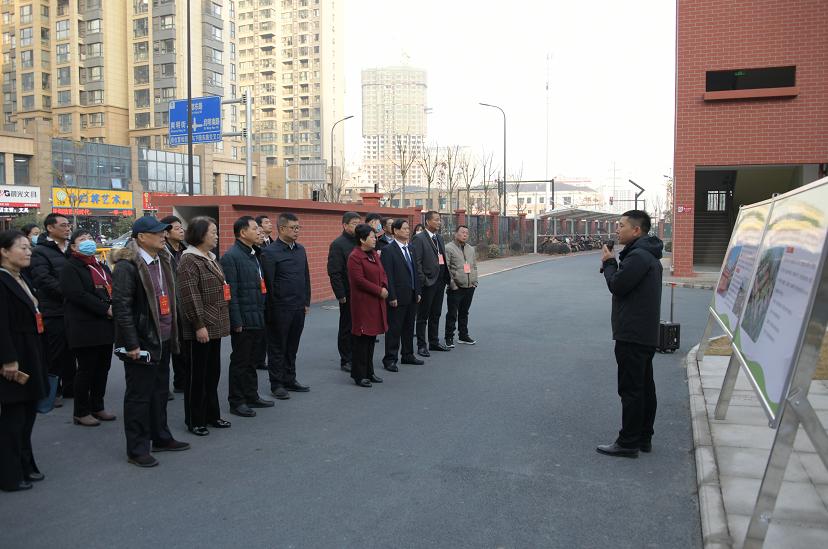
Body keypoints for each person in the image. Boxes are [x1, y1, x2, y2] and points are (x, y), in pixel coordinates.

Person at [111, 217, 190, 468]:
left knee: (159, 392)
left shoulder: (163, 260)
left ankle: (161, 437)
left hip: (164, 336)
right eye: (158, 233)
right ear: (141, 237)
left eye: (164, 232)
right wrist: (132, 343)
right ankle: (137, 449)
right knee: (139, 396)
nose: (163, 236)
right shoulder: (128, 266)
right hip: (142, 341)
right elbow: (122, 308)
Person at [597, 210, 663, 458]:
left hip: (632, 333)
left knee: (632, 389)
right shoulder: (648, 254)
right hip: (644, 332)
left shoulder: (638, 257)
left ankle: (628, 442)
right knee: (645, 386)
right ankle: (644, 437)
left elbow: (618, 286)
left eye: (621, 225)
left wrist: (610, 263)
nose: (617, 229)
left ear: (636, 230)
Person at [0, 230, 48, 491]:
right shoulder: (2, 280)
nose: (28, 252)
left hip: (31, 352)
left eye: (30, 247)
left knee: (27, 415)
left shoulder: (21, 278)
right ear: (4, 251)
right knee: (13, 418)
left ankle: (25, 465)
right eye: (22, 247)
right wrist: (8, 359)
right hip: (14, 358)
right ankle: (9, 473)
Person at [177, 217, 232, 436]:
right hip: (200, 327)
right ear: (200, 234)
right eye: (213, 232)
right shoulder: (189, 260)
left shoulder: (209, 258)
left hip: (215, 324)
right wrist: (199, 324)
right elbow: (190, 295)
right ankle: (195, 419)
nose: (216, 235)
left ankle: (212, 415)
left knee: (212, 373)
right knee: (197, 376)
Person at [60, 229, 116, 427]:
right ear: (73, 246)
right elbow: (77, 295)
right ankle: (81, 411)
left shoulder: (100, 265)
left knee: (103, 368)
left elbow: (112, 287)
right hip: (84, 326)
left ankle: (97, 406)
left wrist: (113, 306)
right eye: (82, 240)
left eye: (90, 238)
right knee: (86, 370)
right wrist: (105, 309)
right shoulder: (70, 267)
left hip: (105, 326)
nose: (88, 242)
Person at [220, 216, 274, 418]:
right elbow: (230, 293)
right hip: (243, 319)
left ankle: (251, 395)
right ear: (243, 232)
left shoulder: (253, 254)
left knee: (252, 361)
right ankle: (237, 401)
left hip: (257, 315)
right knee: (240, 362)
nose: (258, 231)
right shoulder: (231, 257)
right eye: (254, 228)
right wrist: (236, 321)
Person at [262, 213, 311, 400]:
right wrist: (272, 310)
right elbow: (269, 283)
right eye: (293, 228)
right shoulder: (270, 252)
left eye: (298, 227)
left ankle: (290, 378)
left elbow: (305, 277)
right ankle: (277, 383)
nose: (297, 231)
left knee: (292, 346)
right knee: (277, 347)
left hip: (298, 307)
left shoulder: (300, 250)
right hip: (280, 308)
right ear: (282, 229)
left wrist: (306, 301)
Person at [30, 213, 75, 405]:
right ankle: (52, 391)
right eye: (63, 225)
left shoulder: (71, 250)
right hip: (53, 309)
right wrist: (69, 292)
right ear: (50, 228)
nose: (68, 228)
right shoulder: (40, 251)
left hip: (73, 310)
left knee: (72, 351)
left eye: (68, 225)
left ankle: (70, 388)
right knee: (54, 352)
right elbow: (42, 279)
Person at [347, 224, 388, 387]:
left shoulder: (373, 255)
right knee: (362, 340)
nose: (375, 239)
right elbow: (359, 281)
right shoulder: (355, 257)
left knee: (371, 339)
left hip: (376, 302)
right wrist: (379, 290)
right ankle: (359, 374)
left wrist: (384, 285)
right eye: (371, 237)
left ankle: (369, 372)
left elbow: (382, 272)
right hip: (363, 303)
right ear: (362, 239)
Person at [380, 219, 423, 371]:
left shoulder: (411, 248)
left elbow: (416, 272)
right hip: (397, 297)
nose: (407, 231)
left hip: (411, 295)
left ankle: (407, 354)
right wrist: (391, 296)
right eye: (404, 228)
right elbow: (387, 275)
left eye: (408, 228)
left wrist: (417, 291)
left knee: (409, 327)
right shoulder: (388, 250)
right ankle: (390, 359)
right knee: (394, 329)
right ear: (396, 231)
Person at [411, 211, 451, 356]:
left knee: (436, 313)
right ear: (427, 222)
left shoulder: (439, 238)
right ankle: (422, 345)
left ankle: (434, 342)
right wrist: (424, 281)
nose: (439, 222)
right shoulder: (419, 238)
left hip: (440, 282)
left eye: (440, 220)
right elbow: (417, 262)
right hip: (428, 283)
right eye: (436, 220)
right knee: (423, 316)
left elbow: (442, 258)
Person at [327, 211, 361, 372]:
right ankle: (345, 359)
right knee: (347, 326)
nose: (357, 226)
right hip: (348, 293)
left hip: (363, 293)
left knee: (360, 325)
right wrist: (340, 295)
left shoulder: (361, 242)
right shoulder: (338, 244)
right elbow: (335, 272)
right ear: (345, 225)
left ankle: (357, 355)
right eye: (354, 224)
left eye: (358, 223)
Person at [160, 215, 187, 396]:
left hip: (184, 303)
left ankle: (181, 381)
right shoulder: (163, 253)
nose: (181, 230)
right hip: (168, 304)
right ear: (167, 233)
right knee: (167, 346)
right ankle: (163, 386)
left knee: (183, 345)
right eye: (177, 228)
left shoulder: (185, 251)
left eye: (181, 227)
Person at [444, 225, 479, 348]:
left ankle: (463, 335)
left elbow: (474, 265)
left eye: (467, 233)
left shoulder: (470, 249)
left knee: (464, 313)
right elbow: (446, 268)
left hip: (469, 286)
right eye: (462, 232)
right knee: (452, 314)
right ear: (455, 233)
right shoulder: (448, 248)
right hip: (456, 288)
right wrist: (452, 284)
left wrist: (475, 281)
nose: (465, 234)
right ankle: (449, 337)